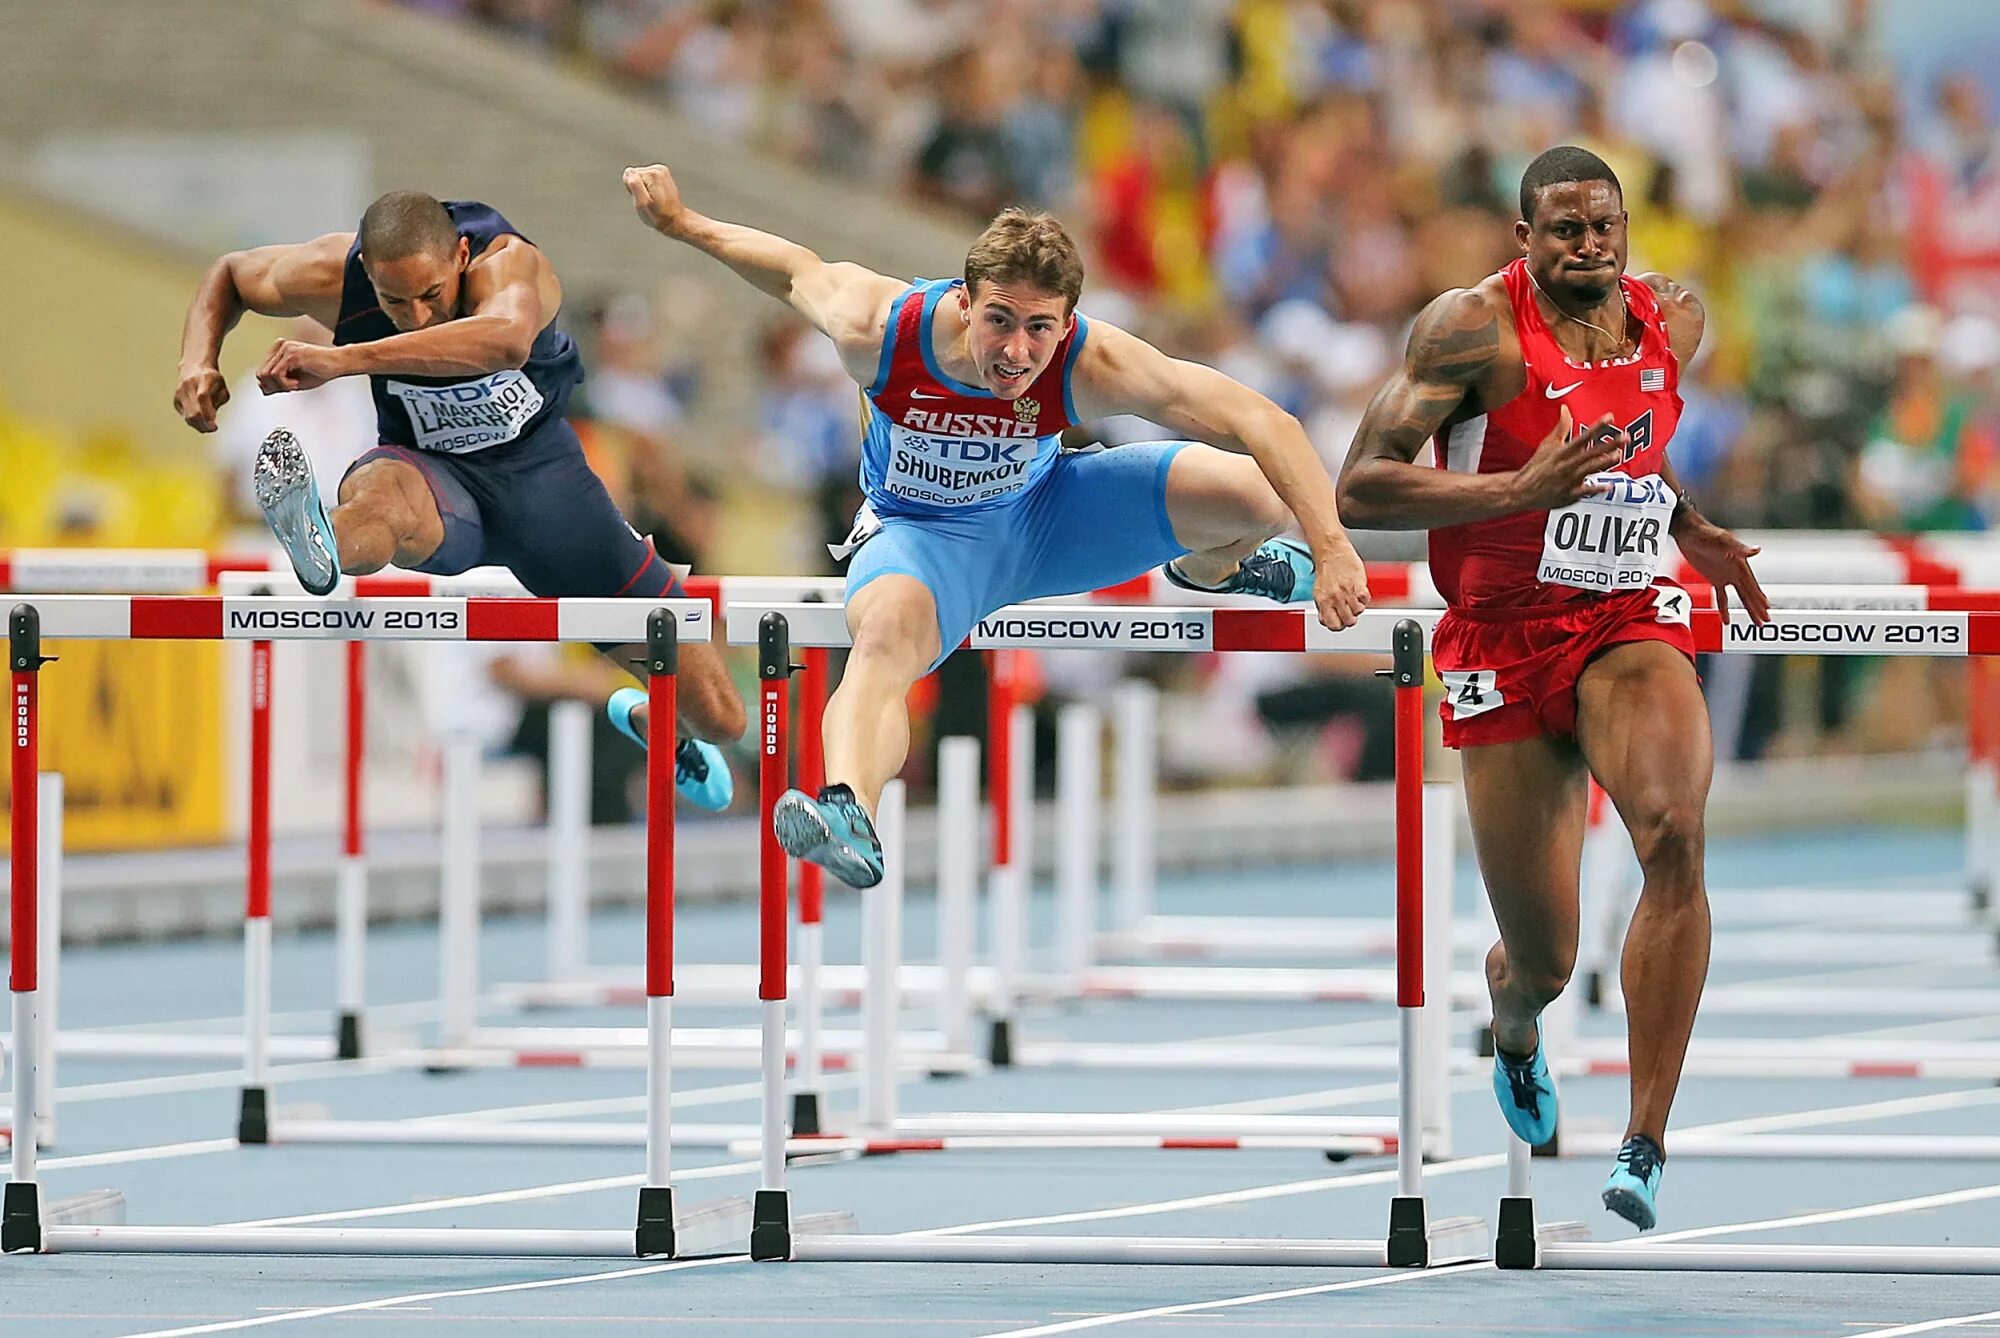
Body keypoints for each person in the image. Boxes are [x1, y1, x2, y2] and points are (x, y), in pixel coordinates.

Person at [620, 162, 1370, 889]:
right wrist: (685, 224)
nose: (1016, 351)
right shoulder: (878, 328)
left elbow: (1261, 419)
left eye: (1039, 329)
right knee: (881, 644)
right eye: (1000, 321)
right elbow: (790, 270)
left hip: (1048, 515)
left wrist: (1332, 548)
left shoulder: (1092, 360)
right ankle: (849, 810)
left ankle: (1212, 568)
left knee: (1255, 495)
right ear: (965, 301)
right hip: (924, 539)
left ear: (1069, 322)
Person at [1337, 146, 1770, 1232]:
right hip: (1498, 637)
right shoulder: (1468, 331)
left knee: (1671, 831)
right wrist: (1509, 487)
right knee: (1541, 955)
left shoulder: (1669, 317)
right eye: (1564, 230)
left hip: (1625, 615)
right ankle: (1514, 1020)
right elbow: (1359, 486)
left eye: (1604, 226)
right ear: (1522, 240)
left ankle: (1642, 1139)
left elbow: (1627, 447)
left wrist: (1685, 527)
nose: (1589, 245)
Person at [173, 191, 745, 806]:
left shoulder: (511, 264)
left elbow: (504, 342)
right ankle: (321, 538)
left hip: (547, 491)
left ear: (462, 258)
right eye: (394, 300)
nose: (417, 315)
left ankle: (635, 714)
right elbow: (230, 274)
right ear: (367, 275)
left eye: (432, 294)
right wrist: (196, 360)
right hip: (434, 479)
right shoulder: (334, 274)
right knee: (378, 499)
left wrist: (343, 359)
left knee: (720, 719)